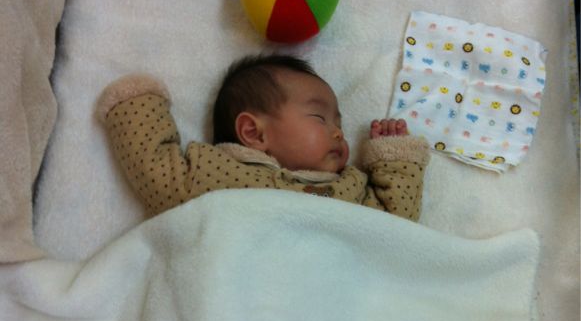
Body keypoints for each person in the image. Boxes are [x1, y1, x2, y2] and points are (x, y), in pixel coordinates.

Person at [97, 54, 430, 221]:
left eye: (338, 122)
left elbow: (394, 226)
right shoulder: (212, 176)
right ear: (253, 133)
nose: (338, 132)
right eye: (319, 117)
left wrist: (394, 160)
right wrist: (136, 103)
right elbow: (154, 170)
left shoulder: (348, 190)